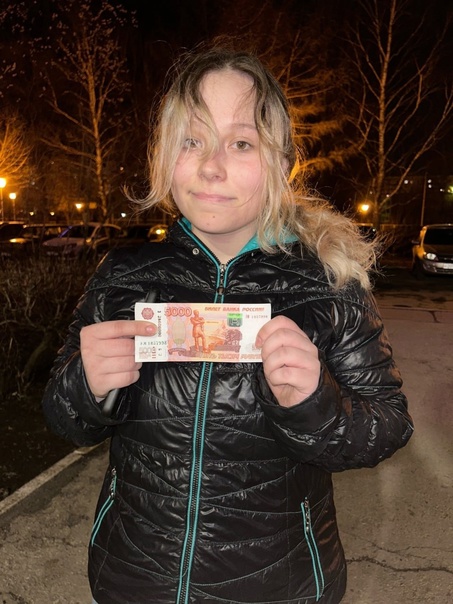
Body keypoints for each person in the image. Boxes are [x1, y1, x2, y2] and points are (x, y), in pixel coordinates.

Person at [42, 45, 414, 604]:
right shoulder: (122, 276)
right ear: (164, 156)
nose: (211, 166)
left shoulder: (329, 285)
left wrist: (316, 403)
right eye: (192, 140)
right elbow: (64, 418)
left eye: (241, 143)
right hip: (135, 579)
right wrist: (86, 385)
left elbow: (387, 425)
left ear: (281, 163)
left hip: (278, 585)